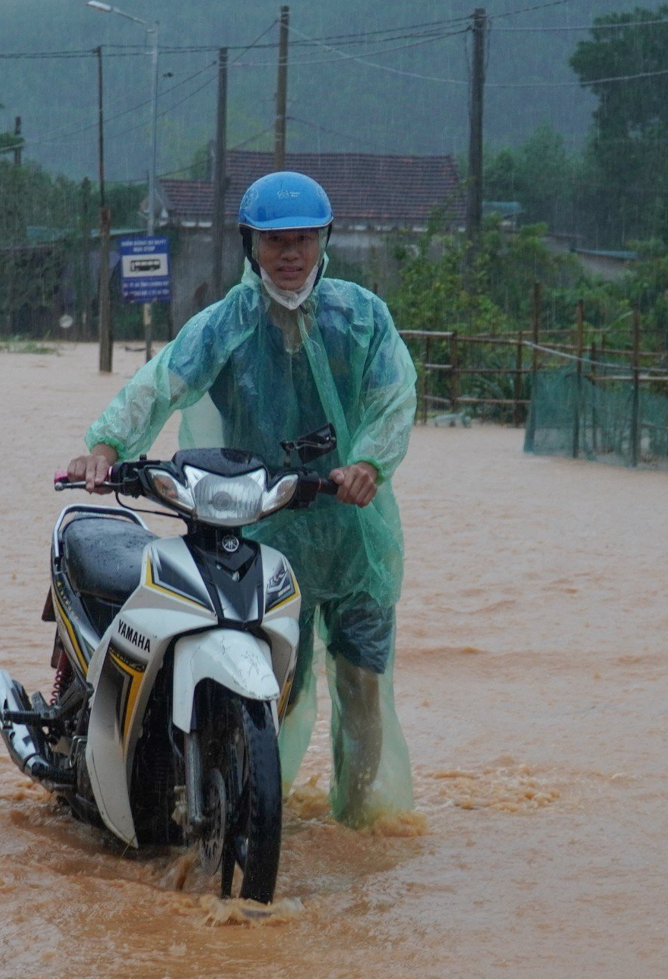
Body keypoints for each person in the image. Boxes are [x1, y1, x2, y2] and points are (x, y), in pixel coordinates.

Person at [62, 171, 418, 828]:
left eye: (303, 240)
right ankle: (253, 813)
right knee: (277, 683)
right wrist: (107, 445)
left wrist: (370, 461)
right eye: (275, 241)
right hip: (266, 530)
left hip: (356, 533)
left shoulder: (362, 316)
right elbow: (161, 382)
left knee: (362, 685)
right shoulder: (225, 324)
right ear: (251, 246)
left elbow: (393, 396)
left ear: (323, 242)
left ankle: (364, 825)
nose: (290, 254)